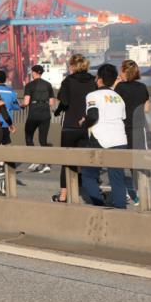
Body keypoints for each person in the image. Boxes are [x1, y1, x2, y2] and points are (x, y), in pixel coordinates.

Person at [80, 63, 127, 209]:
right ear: (114, 80)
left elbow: (93, 116)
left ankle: (100, 205)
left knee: (88, 175)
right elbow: (123, 118)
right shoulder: (118, 97)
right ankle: (120, 209)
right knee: (117, 179)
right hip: (120, 139)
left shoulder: (93, 95)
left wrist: (83, 123)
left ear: (98, 79)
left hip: (100, 139)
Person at [52, 54, 97, 203]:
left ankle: (63, 195)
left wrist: (58, 111)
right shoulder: (93, 81)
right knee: (84, 161)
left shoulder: (68, 81)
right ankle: (92, 193)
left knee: (67, 161)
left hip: (70, 126)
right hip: (88, 126)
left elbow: (64, 101)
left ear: (72, 66)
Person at [114, 59, 151, 206]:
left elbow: (113, 104)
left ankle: (127, 194)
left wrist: (116, 84)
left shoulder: (120, 87)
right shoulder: (142, 87)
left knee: (120, 160)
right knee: (139, 162)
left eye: (120, 70)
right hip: (139, 128)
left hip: (122, 128)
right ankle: (142, 193)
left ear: (124, 72)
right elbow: (147, 108)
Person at [21, 64, 55, 173]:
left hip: (34, 114)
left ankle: (34, 160)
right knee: (43, 139)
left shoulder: (29, 85)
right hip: (45, 114)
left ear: (35, 73)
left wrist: (21, 105)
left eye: (32, 72)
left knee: (28, 135)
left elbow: (26, 102)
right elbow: (51, 102)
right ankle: (46, 164)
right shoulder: (48, 85)